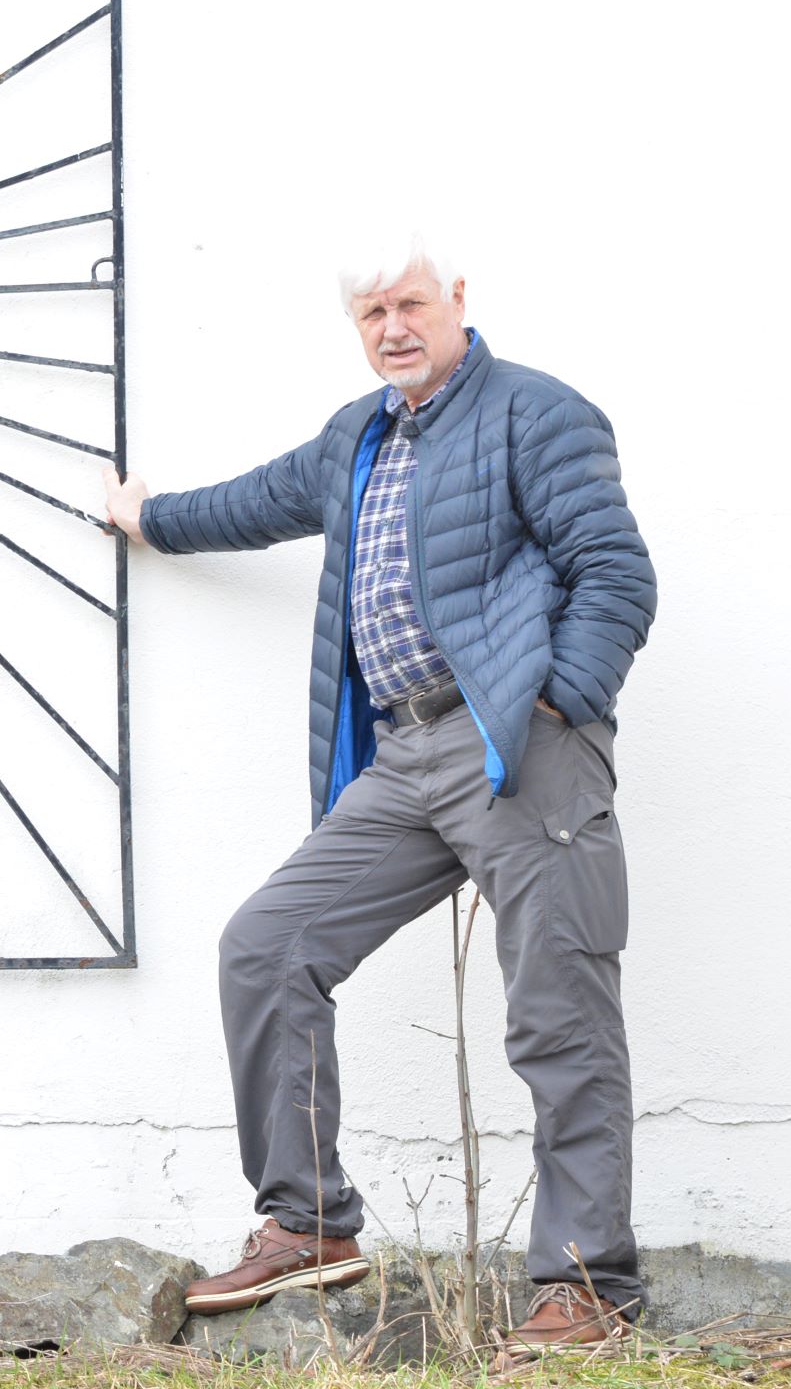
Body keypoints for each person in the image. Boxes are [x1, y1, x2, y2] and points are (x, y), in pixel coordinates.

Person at [102, 241, 657, 1356]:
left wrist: (553, 705)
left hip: (517, 745)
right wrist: (149, 518)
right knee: (268, 944)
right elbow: (255, 502)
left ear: (457, 299)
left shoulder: (536, 412)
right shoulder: (356, 435)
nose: (392, 327)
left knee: (557, 1009)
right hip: (404, 755)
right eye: (371, 313)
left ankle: (586, 1286)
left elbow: (616, 573)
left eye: (409, 303)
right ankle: (308, 1221)